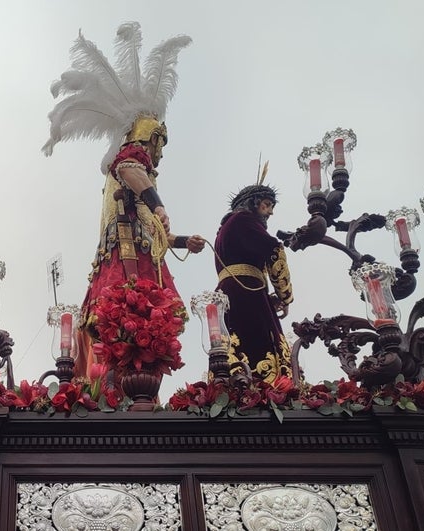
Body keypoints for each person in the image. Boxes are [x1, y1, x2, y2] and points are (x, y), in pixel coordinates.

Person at [42, 23, 204, 377]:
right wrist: (158, 202)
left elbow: (147, 223)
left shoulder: (137, 177)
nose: (158, 155)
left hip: (140, 253)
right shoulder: (132, 159)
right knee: (128, 330)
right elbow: (132, 169)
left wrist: (180, 241)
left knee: (141, 339)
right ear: (153, 140)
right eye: (159, 145)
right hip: (126, 259)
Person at [214, 183, 294, 384]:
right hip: (247, 294)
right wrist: (286, 295)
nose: (271, 212)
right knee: (257, 347)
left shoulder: (225, 228)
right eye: (267, 205)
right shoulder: (244, 220)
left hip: (231, 292)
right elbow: (274, 251)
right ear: (253, 203)